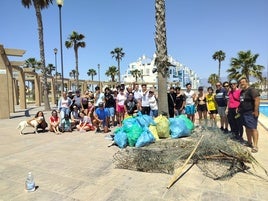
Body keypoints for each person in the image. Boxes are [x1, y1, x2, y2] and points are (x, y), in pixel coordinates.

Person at [238, 77, 260, 153]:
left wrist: (256, 111)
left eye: (243, 82)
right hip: (244, 113)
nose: (242, 83)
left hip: (251, 112)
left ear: (247, 82)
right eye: (241, 82)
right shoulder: (242, 92)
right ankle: (249, 142)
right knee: (247, 128)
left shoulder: (252, 90)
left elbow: (257, 99)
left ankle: (255, 146)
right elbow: (241, 102)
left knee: (253, 128)